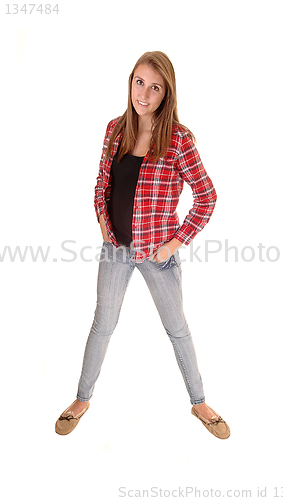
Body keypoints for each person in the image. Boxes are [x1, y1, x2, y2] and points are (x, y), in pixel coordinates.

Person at [55, 51, 230, 440]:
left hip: (158, 255)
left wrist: (174, 244)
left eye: (155, 87)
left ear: (166, 92)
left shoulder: (179, 140)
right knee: (103, 324)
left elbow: (207, 196)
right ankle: (82, 398)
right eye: (140, 82)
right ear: (130, 81)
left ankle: (199, 401)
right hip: (115, 249)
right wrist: (101, 217)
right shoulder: (115, 129)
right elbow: (101, 181)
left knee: (177, 328)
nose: (145, 94)